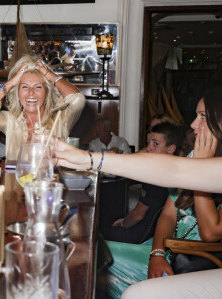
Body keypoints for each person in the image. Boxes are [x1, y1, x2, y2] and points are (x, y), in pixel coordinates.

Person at [53, 88, 222, 299]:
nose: (193, 125)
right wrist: (157, 253)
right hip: (167, 251)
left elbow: (210, 232)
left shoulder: (201, 159)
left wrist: (200, 168)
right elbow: (169, 209)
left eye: (203, 117)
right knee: (86, 251)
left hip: (196, 260)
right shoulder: (193, 154)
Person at [0, 54, 85, 160]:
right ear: (17, 93)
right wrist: (12, 82)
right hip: (15, 180)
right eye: (25, 87)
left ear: (47, 93)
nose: (31, 93)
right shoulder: (10, 121)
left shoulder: (61, 118)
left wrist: (50, 75)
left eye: (38, 87)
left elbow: (77, 99)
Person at [102, 122, 183, 244]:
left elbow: (138, 215)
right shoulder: (172, 169)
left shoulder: (157, 177)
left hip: (144, 239)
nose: (149, 148)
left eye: (155, 144)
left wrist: (123, 223)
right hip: (154, 234)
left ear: (171, 148)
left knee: (101, 235)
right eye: (148, 142)